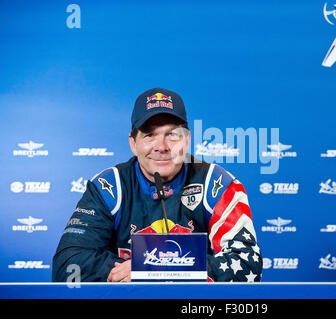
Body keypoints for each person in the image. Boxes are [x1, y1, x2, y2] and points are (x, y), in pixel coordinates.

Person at [52, 88, 262, 282]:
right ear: (133, 143)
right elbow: (66, 267)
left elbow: (248, 266)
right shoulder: (108, 186)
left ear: (187, 141)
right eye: (150, 135)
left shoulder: (217, 183)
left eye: (172, 135)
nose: (161, 147)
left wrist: (149, 267)